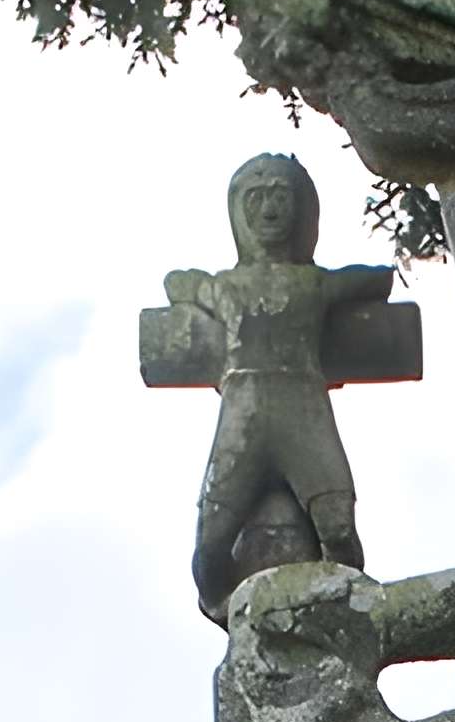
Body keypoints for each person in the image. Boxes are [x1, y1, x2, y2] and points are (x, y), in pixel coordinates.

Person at [167, 153, 393, 621]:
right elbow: (177, 283)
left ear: (302, 209)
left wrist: (381, 276)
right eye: (255, 199)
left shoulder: (313, 283)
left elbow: (373, 281)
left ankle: (339, 611)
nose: (269, 210)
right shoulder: (225, 287)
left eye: (281, 197)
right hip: (244, 417)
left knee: (339, 530)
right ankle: (239, 614)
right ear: (237, 212)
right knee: (208, 549)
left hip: (303, 412)